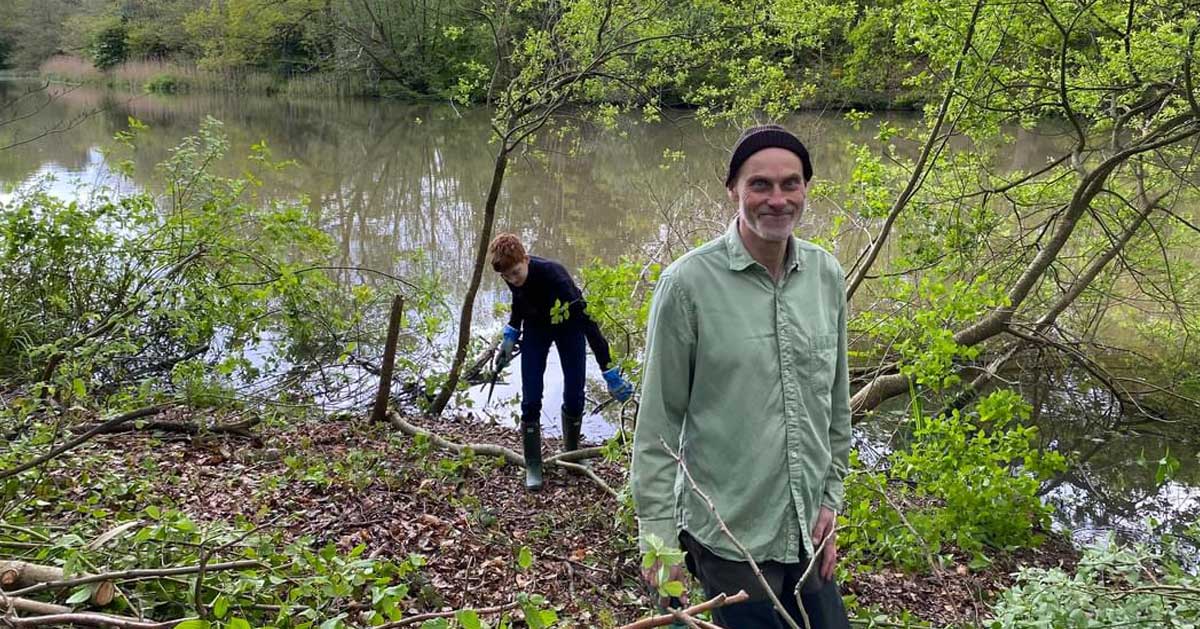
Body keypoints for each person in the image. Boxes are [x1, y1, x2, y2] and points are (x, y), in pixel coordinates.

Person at [631, 124, 852, 628]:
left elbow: (835, 406)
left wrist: (830, 501)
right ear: (733, 189)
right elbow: (659, 425)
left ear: (805, 189)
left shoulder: (826, 275)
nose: (777, 199)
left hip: (807, 527)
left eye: (790, 184)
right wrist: (660, 541)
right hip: (728, 533)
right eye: (760, 185)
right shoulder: (686, 285)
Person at [489, 233, 633, 491]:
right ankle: (533, 463)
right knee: (531, 396)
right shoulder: (513, 278)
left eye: (516, 272)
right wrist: (510, 336)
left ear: (526, 259)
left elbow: (589, 322)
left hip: (570, 328)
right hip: (536, 329)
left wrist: (609, 371)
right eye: (507, 277)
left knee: (575, 393)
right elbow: (519, 304)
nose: (513, 280)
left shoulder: (555, 276)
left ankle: (571, 454)